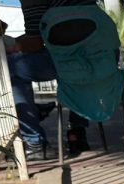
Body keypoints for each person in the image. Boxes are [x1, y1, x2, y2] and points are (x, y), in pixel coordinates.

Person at [7, 0, 98, 159]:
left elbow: (35, 42)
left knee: (10, 67)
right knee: (74, 70)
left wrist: (13, 47)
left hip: (69, 60)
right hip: (101, 58)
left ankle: (35, 142)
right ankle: (77, 132)